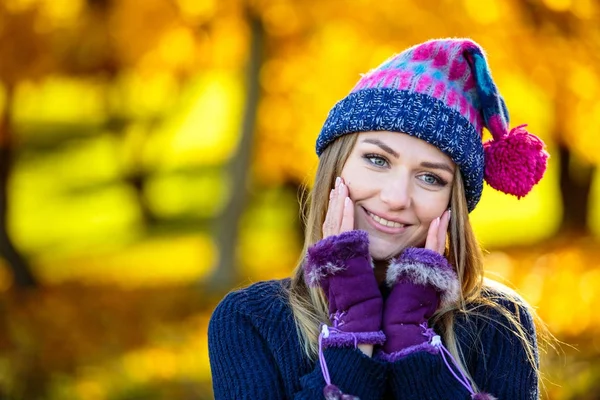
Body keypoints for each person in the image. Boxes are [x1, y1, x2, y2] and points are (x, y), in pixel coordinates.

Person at [208, 38, 550, 399]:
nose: (396, 197)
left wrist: (412, 343)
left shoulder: (499, 323)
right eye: (377, 160)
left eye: (430, 178)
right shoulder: (249, 321)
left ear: (453, 206)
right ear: (336, 166)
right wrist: (353, 328)